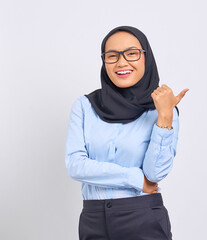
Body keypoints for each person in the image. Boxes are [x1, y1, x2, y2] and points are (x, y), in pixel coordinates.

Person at [65, 26, 188, 240]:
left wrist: (165, 117)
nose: (122, 63)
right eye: (112, 56)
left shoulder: (162, 110)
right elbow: (75, 165)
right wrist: (134, 178)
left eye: (131, 53)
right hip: (93, 219)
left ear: (146, 58)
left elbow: (155, 174)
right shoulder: (85, 106)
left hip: (144, 217)